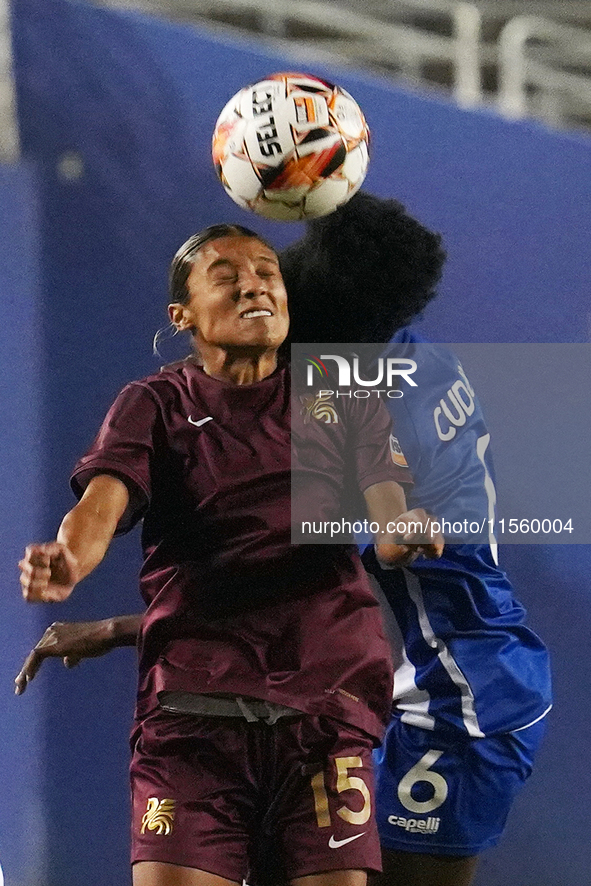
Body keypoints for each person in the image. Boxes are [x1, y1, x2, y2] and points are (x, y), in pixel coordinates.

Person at [19, 193, 552, 886]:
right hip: (286, 701)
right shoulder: (392, 355)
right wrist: (99, 595)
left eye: (272, 276)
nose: (259, 291)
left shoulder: (357, 402)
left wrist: (399, 528)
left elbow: (354, 548)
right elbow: (236, 559)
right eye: (232, 279)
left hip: (451, 695)